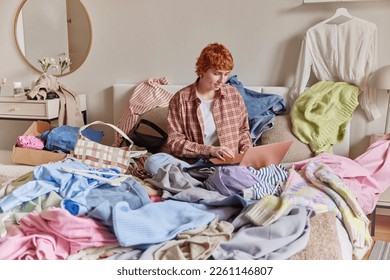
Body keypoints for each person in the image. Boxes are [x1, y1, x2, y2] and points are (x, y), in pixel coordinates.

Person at [144, 42, 251, 175]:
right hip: (193, 165)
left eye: (226, 74)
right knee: (153, 161)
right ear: (202, 70)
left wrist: (247, 154)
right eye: (217, 73)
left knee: (234, 175)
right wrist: (210, 150)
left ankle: (200, 184)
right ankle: (204, 182)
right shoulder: (181, 99)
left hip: (227, 166)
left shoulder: (233, 95)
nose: (222, 80)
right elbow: (175, 143)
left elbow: (243, 131)